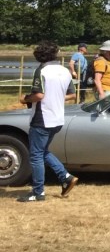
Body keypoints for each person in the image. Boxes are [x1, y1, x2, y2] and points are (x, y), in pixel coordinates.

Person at [19, 41, 78, 202]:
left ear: (39, 56)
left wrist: (25, 99)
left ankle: (38, 192)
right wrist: (56, 98)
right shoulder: (64, 70)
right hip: (58, 118)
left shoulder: (42, 70)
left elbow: (38, 95)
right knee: (42, 151)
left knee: (36, 155)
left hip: (42, 118)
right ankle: (65, 176)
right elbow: (72, 95)